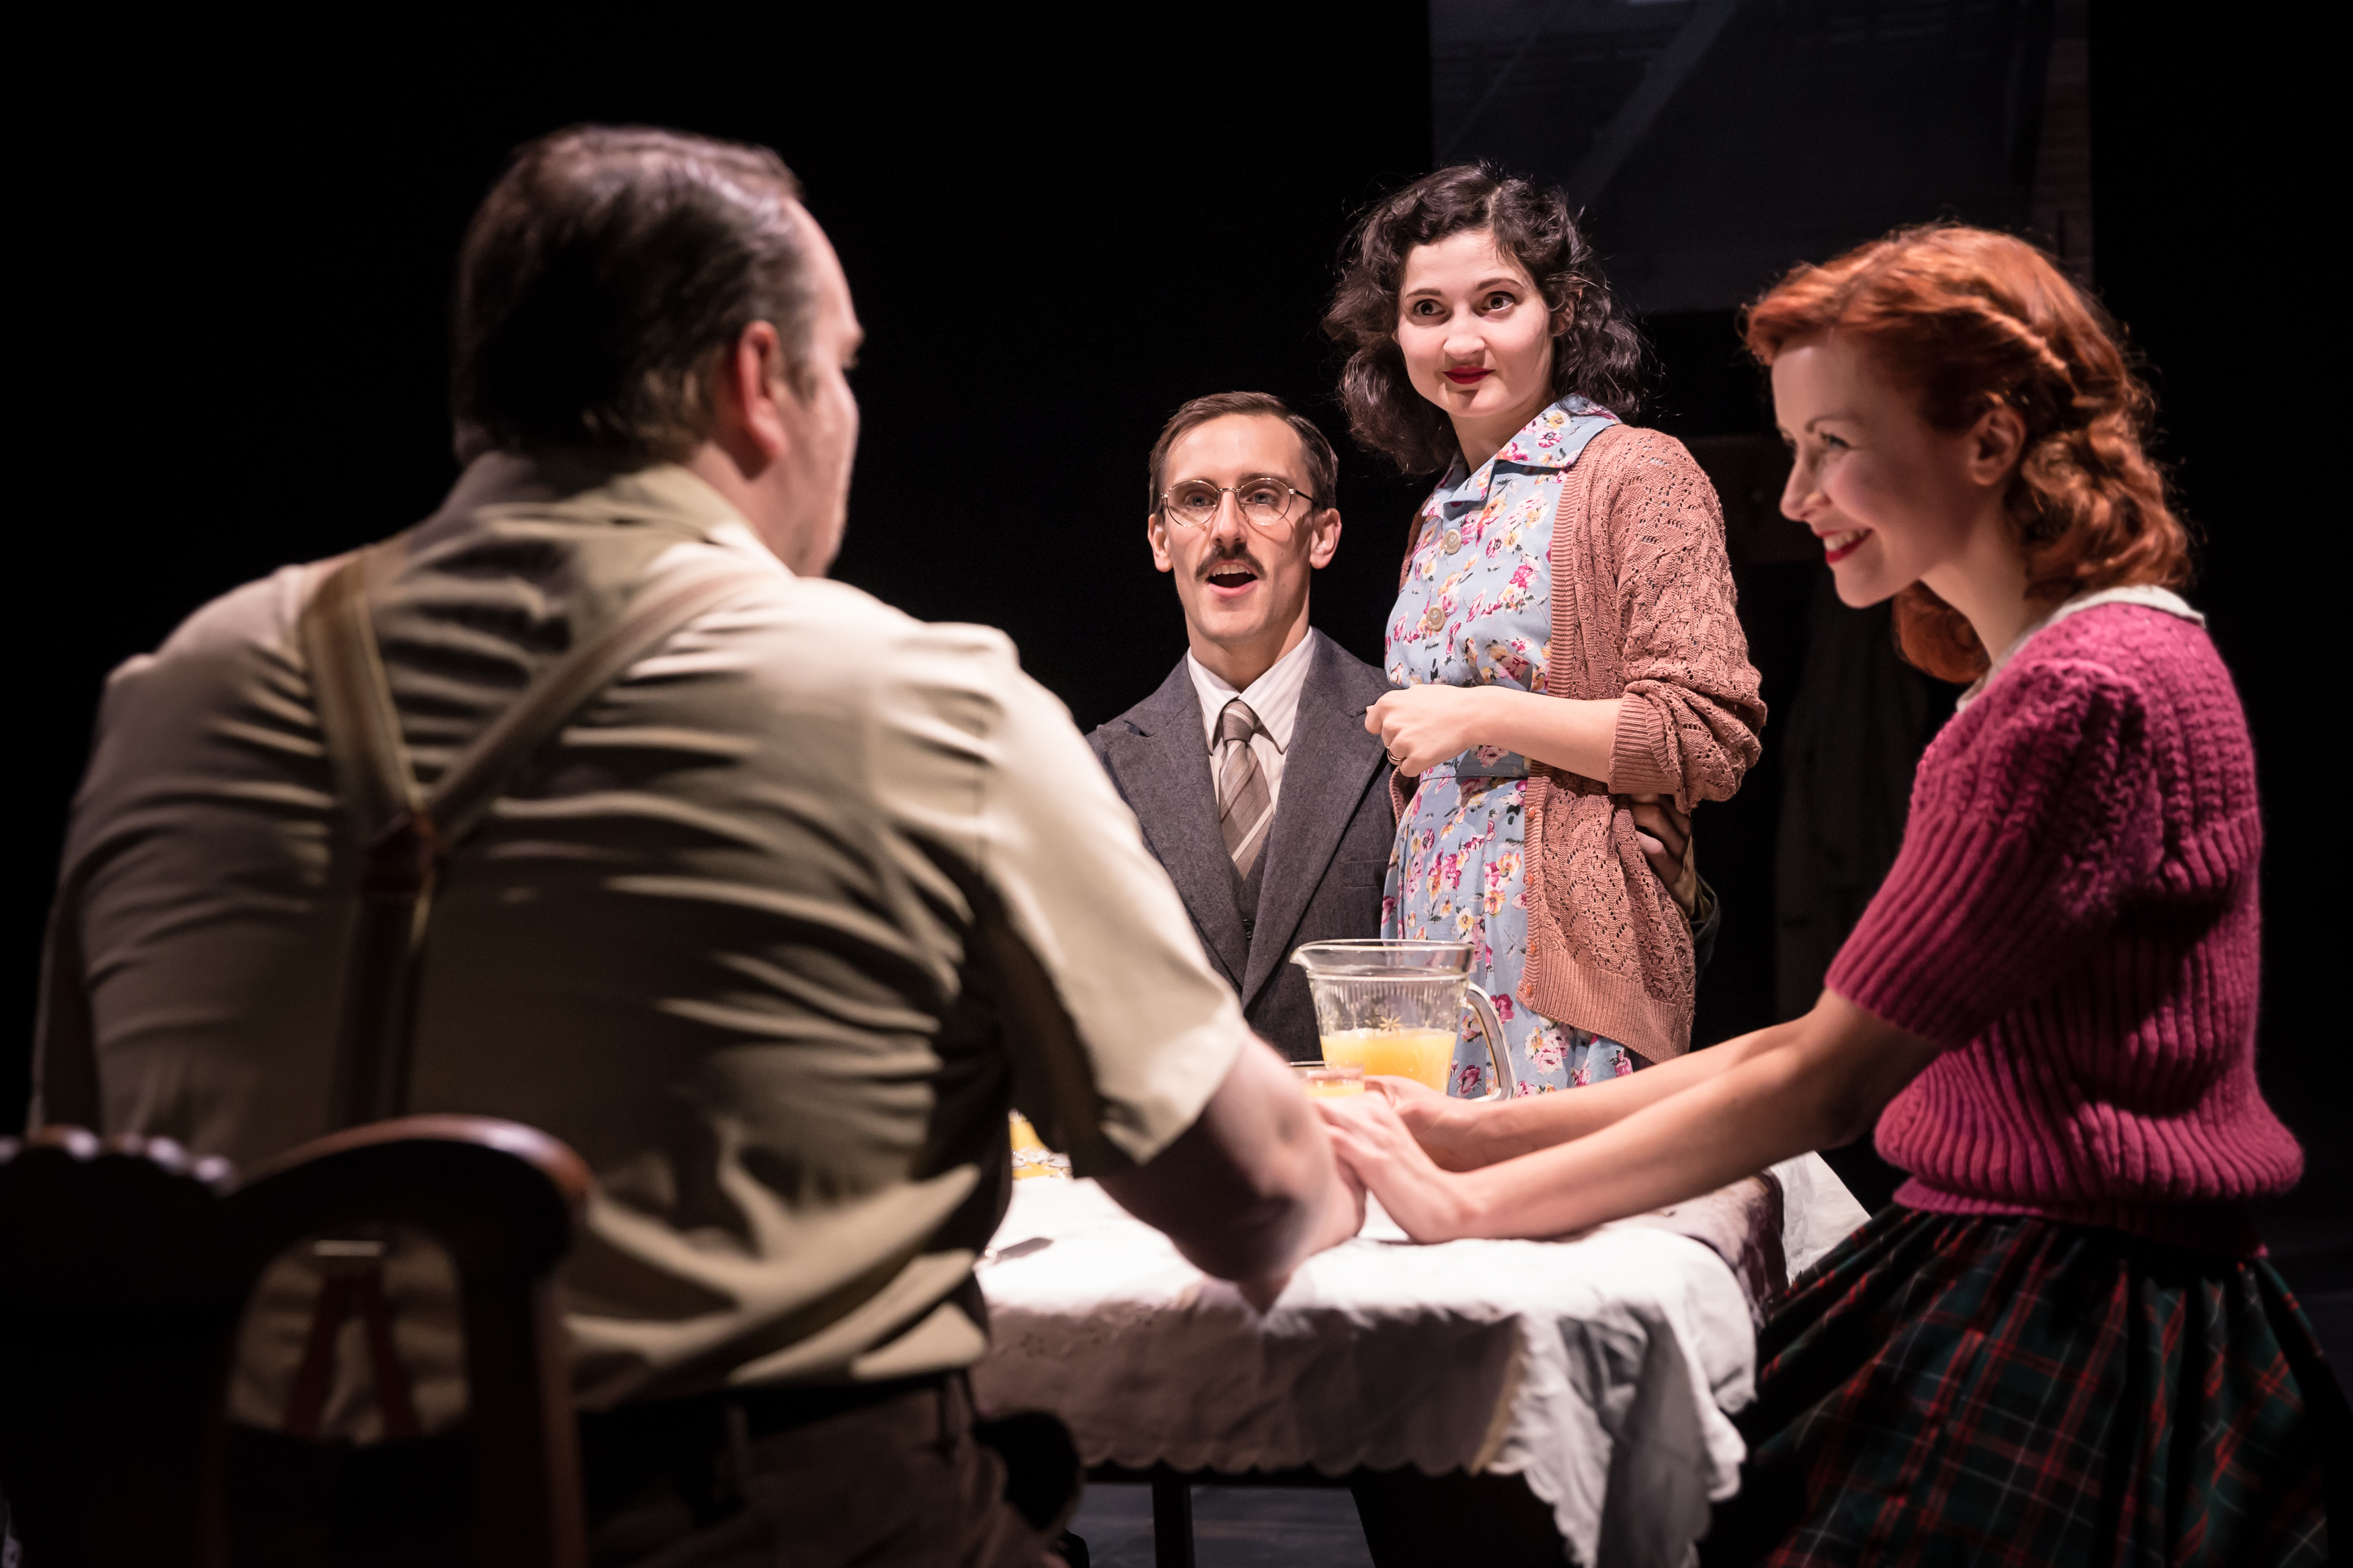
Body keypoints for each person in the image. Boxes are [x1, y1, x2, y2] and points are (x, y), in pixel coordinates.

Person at [32, 126, 1360, 1567]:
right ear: (754, 382)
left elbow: (83, 1198)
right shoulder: (920, 700)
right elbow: (1258, 1201)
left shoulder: (170, 697)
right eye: (840, 367)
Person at [1320, 225, 2338, 1561]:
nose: (1795, 499)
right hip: (2039, 1262)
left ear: (1984, 438)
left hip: (2073, 1295)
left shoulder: (2077, 698)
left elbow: (1826, 1083)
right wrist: (1486, 1139)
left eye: (1832, 446)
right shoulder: (2077, 669)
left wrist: (1475, 1199)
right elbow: (1820, 1044)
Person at [1322, 165, 1759, 1095]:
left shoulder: (1635, 474)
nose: (1462, 338)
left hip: (1564, 972)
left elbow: (1706, 732)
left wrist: (1485, 716)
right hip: (1433, 949)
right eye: (1429, 310)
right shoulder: (1438, 514)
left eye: (1497, 300)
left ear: (1559, 311)